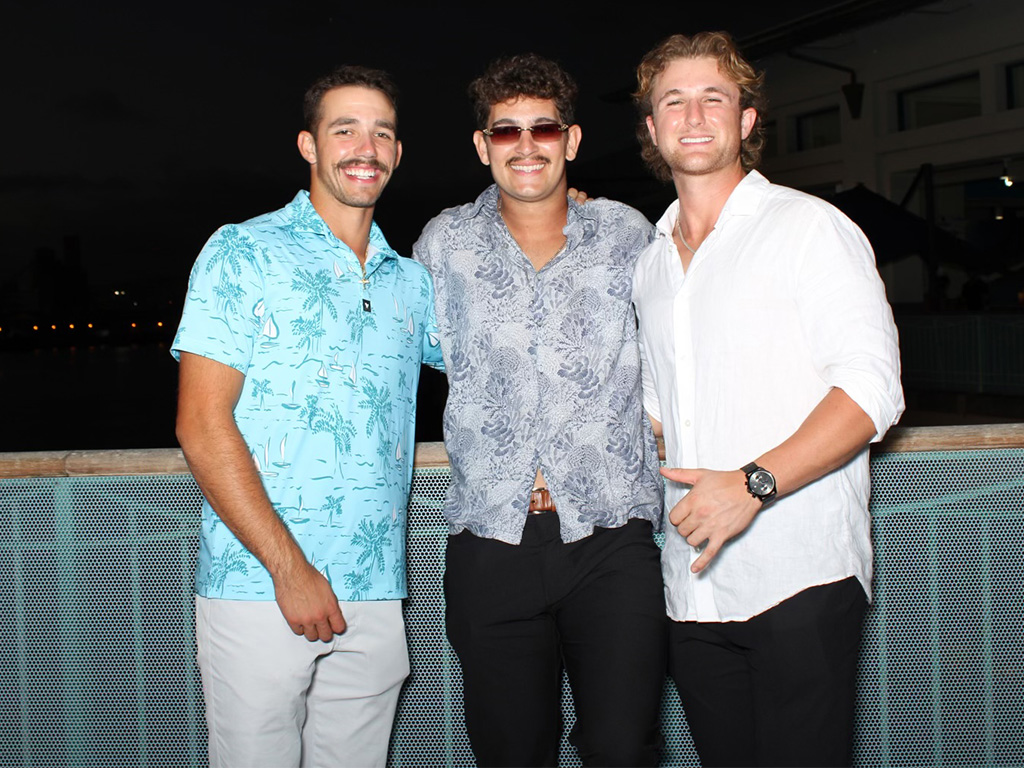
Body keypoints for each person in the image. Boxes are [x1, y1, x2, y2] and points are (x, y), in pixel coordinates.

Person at [631, 32, 905, 767]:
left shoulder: (809, 229)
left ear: (746, 120)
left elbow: (873, 388)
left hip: (799, 573)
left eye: (713, 98)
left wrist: (754, 484)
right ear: (651, 129)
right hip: (691, 591)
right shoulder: (651, 263)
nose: (694, 116)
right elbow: (658, 410)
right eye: (673, 101)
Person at [172, 65, 441, 768]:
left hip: (376, 591)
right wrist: (289, 567)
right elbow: (201, 425)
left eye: (381, 132)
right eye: (344, 129)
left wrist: (564, 211)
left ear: (398, 154)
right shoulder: (242, 252)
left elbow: (501, 361)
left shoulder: (411, 282)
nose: (365, 146)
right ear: (309, 146)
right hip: (260, 587)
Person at [413, 53, 667, 767]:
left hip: (611, 536)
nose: (526, 145)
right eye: (505, 131)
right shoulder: (443, 245)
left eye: (543, 128)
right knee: (510, 752)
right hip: (492, 541)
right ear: (481, 145)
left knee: (622, 746)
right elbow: (413, 354)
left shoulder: (626, 235)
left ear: (572, 140)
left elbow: (677, 352)